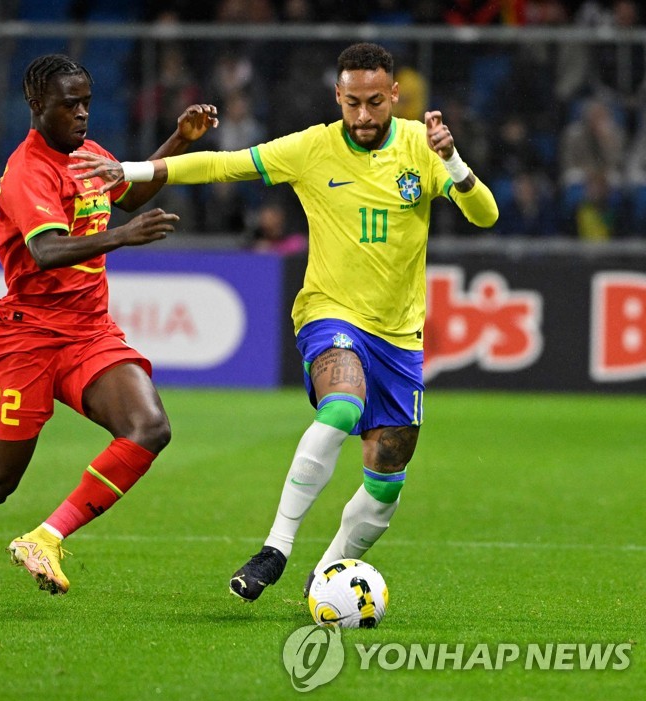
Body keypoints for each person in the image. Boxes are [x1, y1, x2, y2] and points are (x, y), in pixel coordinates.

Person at [70, 42, 498, 602]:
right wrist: (130, 168)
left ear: (395, 96)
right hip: (329, 314)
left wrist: (452, 161)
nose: (363, 116)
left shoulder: (423, 145)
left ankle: (326, 576)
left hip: (400, 336)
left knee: (387, 475)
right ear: (337, 96)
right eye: (352, 103)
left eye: (375, 102)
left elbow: (484, 213)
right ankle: (275, 547)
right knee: (341, 405)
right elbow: (226, 164)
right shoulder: (313, 147)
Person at [0, 54, 214, 596]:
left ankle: (46, 537)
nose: (82, 113)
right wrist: (122, 236)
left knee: (150, 428)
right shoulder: (28, 172)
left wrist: (178, 140)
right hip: (25, 336)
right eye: (70, 104)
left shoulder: (90, 155)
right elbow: (44, 250)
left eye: (87, 101)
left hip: (88, 331)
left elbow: (129, 193)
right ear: (37, 105)